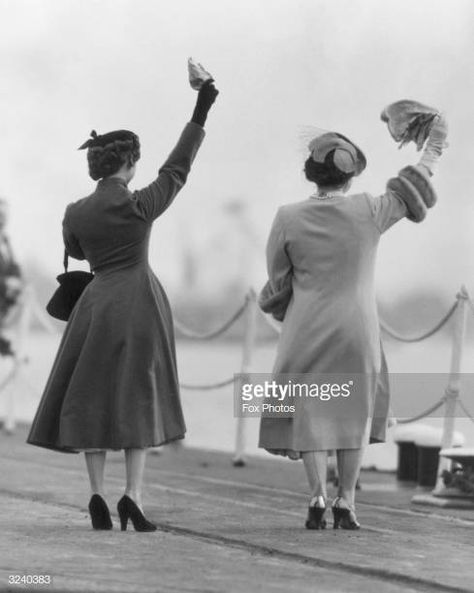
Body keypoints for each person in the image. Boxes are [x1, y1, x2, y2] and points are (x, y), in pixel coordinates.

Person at [27, 77, 219, 532]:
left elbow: (74, 250)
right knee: (138, 397)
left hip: (95, 305)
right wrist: (202, 108)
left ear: (95, 167)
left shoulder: (75, 211)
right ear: (130, 164)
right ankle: (133, 496)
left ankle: (96, 495)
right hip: (139, 302)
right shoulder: (140, 206)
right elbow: (178, 169)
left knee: (91, 395)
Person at [259, 113, 447, 530]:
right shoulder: (369, 210)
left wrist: (282, 304)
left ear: (312, 174)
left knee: (308, 411)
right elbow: (416, 181)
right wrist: (434, 143)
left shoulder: (287, 216)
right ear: (350, 175)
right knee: (353, 413)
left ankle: (316, 495)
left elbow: (277, 281)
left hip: (306, 327)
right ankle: (346, 500)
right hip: (357, 329)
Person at [0, 199, 22, 357]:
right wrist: (6, 285)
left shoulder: (5, 241)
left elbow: (14, 266)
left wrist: (16, 282)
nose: (2, 219)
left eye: (5, 216)